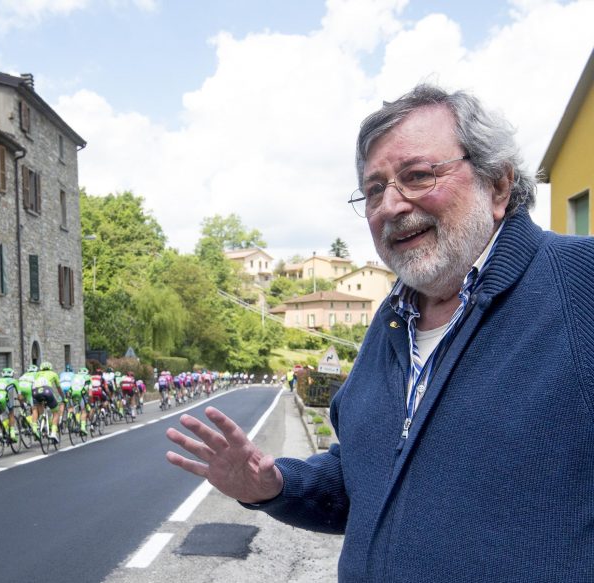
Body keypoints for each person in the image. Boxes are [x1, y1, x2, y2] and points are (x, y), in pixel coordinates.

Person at [166, 83, 594, 581]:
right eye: (374, 190)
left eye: (417, 176)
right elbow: (363, 481)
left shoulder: (581, 283)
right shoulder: (390, 321)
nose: (390, 206)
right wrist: (273, 484)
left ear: (497, 185)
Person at [30, 361, 64, 442]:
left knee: (36, 410)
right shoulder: (53, 374)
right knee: (56, 412)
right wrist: (63, 397)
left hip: (35, 391)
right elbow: (58, 388)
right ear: (50, 368)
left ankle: (35, 428)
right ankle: (53, 433)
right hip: (47, 391)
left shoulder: (37, 374)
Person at [0, 367, 19, 443]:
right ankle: (12, 434)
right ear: (12, 374)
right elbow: (20, 395)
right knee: (11, 413)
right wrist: (22, 402)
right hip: (3, 397)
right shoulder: (14, 381)